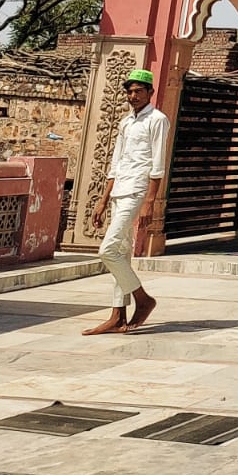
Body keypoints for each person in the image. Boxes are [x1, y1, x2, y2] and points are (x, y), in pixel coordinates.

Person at [83, 69, 168, 335]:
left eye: (138, 91)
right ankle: (117, 315)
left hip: (138, 191)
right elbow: (116, 163)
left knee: (107, 250)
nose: (133, 96)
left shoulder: (158, 120)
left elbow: (157, 164)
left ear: (150, 92)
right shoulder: (125, 123)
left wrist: (150, 202)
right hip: (120, 190)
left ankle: (143, 300)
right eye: (130, 92)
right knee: (119, 252)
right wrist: (102, 200)